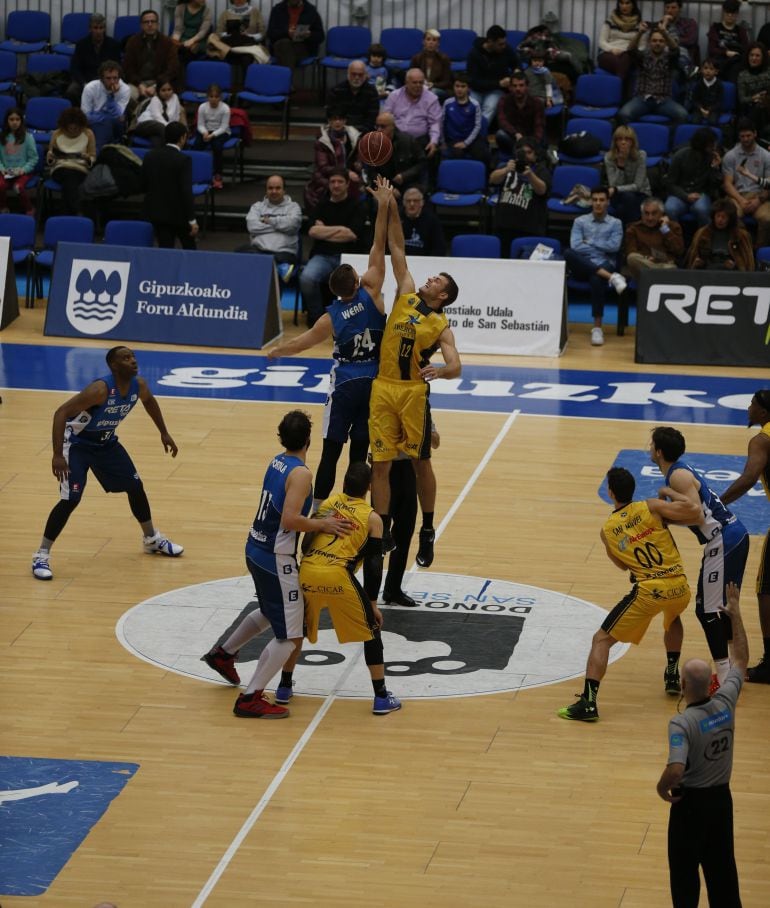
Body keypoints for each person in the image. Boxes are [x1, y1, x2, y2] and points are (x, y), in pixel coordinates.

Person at [202, 411, 354, 718]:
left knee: (274, 611)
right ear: (309, 440)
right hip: (275, 557)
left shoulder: (277, 461)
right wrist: (323, 526)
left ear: (281, 438)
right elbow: (289, 519)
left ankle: (223, 654)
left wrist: (317, 519)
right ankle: (250, 698)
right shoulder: (301, 473)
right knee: (292, 635)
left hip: (256, 547)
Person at [267, 176, 391, 505]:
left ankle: (320, 510)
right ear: (357, 281)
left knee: (330, 454)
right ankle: (355, 509)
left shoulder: (330, 318)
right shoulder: (373, 293)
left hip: (345, 383)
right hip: (374, 381)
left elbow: (301, 344)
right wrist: (383, 206)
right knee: (359, 454)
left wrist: (277, 351)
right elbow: (379, 245)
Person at [31, 346, 183, 582]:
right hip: (78, 446)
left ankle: (151, 540)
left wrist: (164, 432)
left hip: (106, 444)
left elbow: (150, 402)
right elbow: (61, 413)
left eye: (133, 357)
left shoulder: (138, 385)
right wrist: (57, 455)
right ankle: (41, 555)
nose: (133, 361)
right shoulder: (100, 389)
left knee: (135, 487)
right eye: (126, 358)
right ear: (114, 365)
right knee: (70, 499)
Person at [369, 194, 462, 566]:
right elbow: (396, 245)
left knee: (421, 462)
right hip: (382, 387)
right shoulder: (405, 293)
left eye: (436, 279)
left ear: (443, 295)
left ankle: (427, 529)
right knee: (381, 464)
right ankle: (383, 529)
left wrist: (440, 370)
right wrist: (387, 204)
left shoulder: (440, 325)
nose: (429, 277)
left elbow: (456, 365)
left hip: (412, 394)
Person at [557, 467, 692, 721]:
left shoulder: (608, 529)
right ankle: (672, 672)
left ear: (610, 493)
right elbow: (689, 509)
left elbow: (622, 566)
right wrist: (667, 493)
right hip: (681, 586)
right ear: (633, 489)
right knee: (672, 617)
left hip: (650, 590)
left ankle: (588, 703)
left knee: (601, 640)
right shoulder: (651, 506)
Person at [656, 580, 746, 908]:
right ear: (711, 682)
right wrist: (735, 615)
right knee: (724, 878)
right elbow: (739, 661)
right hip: (721, 802)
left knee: (684, 881)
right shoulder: (725, 702)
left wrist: (662, 789)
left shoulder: (682, 723)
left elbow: (677, 768)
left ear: (682, 685)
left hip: (690, 807)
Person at [650, 426, 749, 694]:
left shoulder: (678, 476)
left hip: (723, 538)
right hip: (730, 536)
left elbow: (695, 516)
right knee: (722, 607)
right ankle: (734, 669)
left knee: (706, 610)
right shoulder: (680, 471)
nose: (649, 449)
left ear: (658, 451)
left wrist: (665, 513)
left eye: (651, 445)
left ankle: (726, 677)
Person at [300, 462, 401, 714]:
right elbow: (374, 566)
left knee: (295, 629)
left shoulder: (328, 504)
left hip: (308, 570)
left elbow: (305, 544)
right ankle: (380, 697)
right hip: (336, 574)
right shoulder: (372, 518)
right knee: (372, 628)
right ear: (369, 487)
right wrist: (373, 603)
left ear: (343, 482)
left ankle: (283, 687)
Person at [720, 390, 770, 684]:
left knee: (766, 588)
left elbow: (750, 477)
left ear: (763, 412)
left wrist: (720, 502)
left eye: (752, 404)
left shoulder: (762, 440)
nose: (748, 408)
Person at [300, 167, 366, 326]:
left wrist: (325, 230)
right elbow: (313, 232)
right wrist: (340, 229)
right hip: (322, 255)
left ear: (347, 184)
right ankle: (317, 319)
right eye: (332, 182)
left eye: (340, 182)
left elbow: (351, 235)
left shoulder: (357, 205)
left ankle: (346, 320)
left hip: (348, 257)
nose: (336, 185)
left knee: (355, 284)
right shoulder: (320, 205)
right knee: (306, 278)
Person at [563, 186, 627, 347]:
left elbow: (614, 247)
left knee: (596, 277)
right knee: (568, 253)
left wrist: (590, 242)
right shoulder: (580, 221)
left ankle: (597, 328)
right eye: (595, 200)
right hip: (582, 264)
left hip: (606, 263)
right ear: (591, 202)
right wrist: (600, 246)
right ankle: (612, 278)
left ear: (607, 202)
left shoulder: (616, 223)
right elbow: (576, 246)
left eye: (602, 200)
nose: (598, 203)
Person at [141, 121, 198, 250]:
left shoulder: (150, 156)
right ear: (183, 138)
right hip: (180, 215)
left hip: (157, 213)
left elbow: (144, 184)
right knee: (190, 251)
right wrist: (192, 220)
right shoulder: (183, 159)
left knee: (165, 252)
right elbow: (186, 191)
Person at [617, 24, 688, 126]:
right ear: (649, 42)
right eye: (654, 41)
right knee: (623, 114)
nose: (657, 43)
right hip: (642, 99)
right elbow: (631, 50)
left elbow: (675, 50)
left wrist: (664, 33)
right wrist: (640, 32)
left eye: (661, 41)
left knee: (683, 115)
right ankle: (635, 139)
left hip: (663, 101)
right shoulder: (642, 57)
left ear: (665, 43)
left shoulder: (670, 59)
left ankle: (668, 139)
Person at [489, 137, 552, 252]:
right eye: (523, 152)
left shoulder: (540, 170)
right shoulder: (508, 166)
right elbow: (493, 179)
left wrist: (530, 175)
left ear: (536, 155)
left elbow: (542, 190)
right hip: (503, 225)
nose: (526, 156)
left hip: (529, 228)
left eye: (529, 152)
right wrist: (505, 170)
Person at [238, 174, 301, 283]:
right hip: (259, 251)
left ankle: (273, 267)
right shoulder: (257, 207)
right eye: (270, 188)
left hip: (284, 252)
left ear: (284, 190)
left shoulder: (294, 207)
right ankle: (277, 267)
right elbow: (252, 227)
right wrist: (280, 226)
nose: (274, 191)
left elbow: (292, 226)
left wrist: (269, 221)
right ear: (266, 190)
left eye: (278, 188)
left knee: (262, 263)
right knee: (240, 253)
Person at [722, 118, 770, 246]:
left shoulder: (766, 156)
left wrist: (758, 200)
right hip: (737, 195)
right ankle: (743, 248)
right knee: (732, 217)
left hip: (759, 195)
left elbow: (768, 185)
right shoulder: (730, 156)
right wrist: (741, 200)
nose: (745, 139)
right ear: (739, 137)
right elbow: (727, 184)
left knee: (766, 219)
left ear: (755, 134)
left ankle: (759, 253)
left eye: (748, 135)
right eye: (742, 136)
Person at [304, 107, 361, 211]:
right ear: (329, 121)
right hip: (326, 176)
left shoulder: (353, 136)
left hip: (349, 177)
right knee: (337, 185)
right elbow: (323, 167)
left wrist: (359, 163)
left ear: (345, 121)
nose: (337, 122)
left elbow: (358, 157)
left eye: (340, 119)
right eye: (334, 119)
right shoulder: (322, 140)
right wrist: (346, 172)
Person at [664, 125, 722, 226]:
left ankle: (704, 238)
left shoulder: (713, 157)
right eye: (711, 144)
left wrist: (715, 168)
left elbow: (714, 186)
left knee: (702, 209)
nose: (714, 146)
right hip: (680, 193)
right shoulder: (680, 156)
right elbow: (670, 183)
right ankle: (675, 238)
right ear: (702, 145)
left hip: (702, 194)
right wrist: (685, 196)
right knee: (670, 208)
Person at [362, 111, 426, 200]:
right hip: (384, 185)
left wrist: (404, 175)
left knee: (412, 197)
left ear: (392, 127)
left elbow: (421, 163)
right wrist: (389, 188)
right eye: (377, 126)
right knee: (378, 201)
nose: (379, 130)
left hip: (408, 183)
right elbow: (372, 172)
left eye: (383, 126)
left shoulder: (408, 141)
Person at [384, 68, 442, 162]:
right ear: (406, 83)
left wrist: (433, 141)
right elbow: (385, 118)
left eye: (421, 82)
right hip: (397, 139)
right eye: (414, 83)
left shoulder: (431, 98)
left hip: (420, 140)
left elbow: (435, 123)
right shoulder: (394, 96)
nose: (418, 86)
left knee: (432, 151)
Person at [46, 107, 96, 216]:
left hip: (80, 168)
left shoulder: (88, 134)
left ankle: (66, 214)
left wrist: (88, 158)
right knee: (69, 178)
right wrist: (51, 157)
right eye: (70, 128)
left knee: (69, 182)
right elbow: (50, 157)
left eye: (76, 128)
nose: (73, 130)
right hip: (60, 167)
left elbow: (93, 156)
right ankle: (77, 212)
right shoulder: (57, 134)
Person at [122, 9, 180, 102]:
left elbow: (172, 68)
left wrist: (156, 85)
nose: (150, 24)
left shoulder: (167, 42)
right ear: (141, 25)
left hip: (160, 83)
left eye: (153, 21)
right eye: (146, 22)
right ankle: (134, 115)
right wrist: (139, 85)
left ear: (158, 24)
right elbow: (128, 68)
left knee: (165, 97)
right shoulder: (133, 42)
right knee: (127, 94)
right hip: (137, 83)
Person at [467, 25, 520, 124]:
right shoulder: (474, 54)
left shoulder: (506, 49)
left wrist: (517, 70)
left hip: (496, 90)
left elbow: (516, 62)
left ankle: (478, 134)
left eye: (504, 43)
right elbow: (473, 82)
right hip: (478, 89)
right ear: (490, 42)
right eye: (500, 44)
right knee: (471, 109)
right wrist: (499, 83)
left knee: (490, 107)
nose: (504, 46)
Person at [67, 13, 122, 106]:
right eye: (95, 28)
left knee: (119, 90)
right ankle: (80, 114)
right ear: (90, 29)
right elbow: (75, 68)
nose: (98, 31)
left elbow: (118, 67)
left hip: (107, 80)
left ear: (104, 29)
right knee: (71, 91)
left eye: (101, 28)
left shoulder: (114, 45)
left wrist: (109, 82)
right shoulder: (81, 44)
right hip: (85, 80)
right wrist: (84, 83)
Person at [623, 197, 684, 280]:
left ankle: (654, 275)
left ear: (662, 214)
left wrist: (665, 230)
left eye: (654, 213)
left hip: (665, 265)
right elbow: (631, 251)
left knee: (670, 268)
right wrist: (648, 258)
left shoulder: (672, 227)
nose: (650, 218)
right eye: (646, 213)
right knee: (632, 258)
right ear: (641, 214)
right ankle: (658, 275)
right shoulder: (633, 229)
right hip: (643, 266)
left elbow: (679, 251)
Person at [684, 197, 755, 270]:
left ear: (730, 219)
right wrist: (697, 264)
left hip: (732, 274)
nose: (720, 220)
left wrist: (735, 266)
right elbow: (691, 261)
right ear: (713, 217)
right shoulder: (702, 233)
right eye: (718, 216)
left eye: (723, 217)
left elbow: (748, 264)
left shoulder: (741, 236)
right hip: (707, 270)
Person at [604, 125, 652, 227]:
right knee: (626, 200)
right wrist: (620, 164)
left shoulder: (641, 156)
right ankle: (632, 232)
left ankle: (625, 233)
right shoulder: (609, 157)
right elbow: (613, 183)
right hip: (619, 195)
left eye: (627, 139)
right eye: (620, 139)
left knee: (625, 203)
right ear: (615, 142)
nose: (623, 142)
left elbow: (637, 186)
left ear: (632, 142)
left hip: (640, 194)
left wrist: (616, 189)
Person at [80, 60, 131, 152]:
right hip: (94, 123)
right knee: (105, 124)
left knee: (116, 121)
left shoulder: (125, 89)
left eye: (115, 78)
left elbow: (117, 115)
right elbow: (85, 116)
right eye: (108, 78)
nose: (112, 81)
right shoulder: (90, 88)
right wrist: (104, 118)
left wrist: (112, 96)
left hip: (115, 124)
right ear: (101, 78)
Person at [440, 72, 489, 165]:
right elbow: (442, 123)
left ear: (468, 88)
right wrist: (442, 142)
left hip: (471, 139)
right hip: (453, 140)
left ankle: (485, 178)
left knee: (483, 154)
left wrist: (466, 143)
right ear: (453, 87)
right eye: (457, 86)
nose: (459, 89)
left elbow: (477, 126)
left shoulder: (475, 104)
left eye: (463, 86)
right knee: (457, 155)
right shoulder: (447, 103)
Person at [266, 0, 324, 76]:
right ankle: (287, 84)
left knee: (285, 50)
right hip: (280, 45)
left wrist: (309, 35)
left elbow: (321, 36)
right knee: (284, 45)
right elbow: (270, 33)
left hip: (303, 47)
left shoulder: (310, 10)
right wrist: (287, 32)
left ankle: (284, 84)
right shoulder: (278, 9)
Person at [191, 83, 230, 190]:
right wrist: (204, 132)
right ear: (207, 97)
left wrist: (212, 135)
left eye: (216, 97)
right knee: (197, 146)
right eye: (211, 96)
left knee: (217, 147)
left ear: (220, 97)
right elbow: (200, 124)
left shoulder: (225, 108)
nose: (213, 99)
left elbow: (224, 127)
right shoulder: (202, 107)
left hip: (220, 132)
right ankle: (196, 173)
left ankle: (217, 175)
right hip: (205, 131)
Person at [597, 0, 643, 91]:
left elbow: (642, 47)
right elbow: (601, 42)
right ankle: (621, 95)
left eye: (627, 3)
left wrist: (626, 50)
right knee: (622, 65)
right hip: (609, 53)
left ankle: (614, 92)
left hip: (629, 54)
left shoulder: (640, 24)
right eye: (621, 3)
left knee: (626, 58)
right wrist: (612, 49)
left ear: (633, 5)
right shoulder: (610, 21)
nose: (624, 6)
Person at [495, 71, 545, 154]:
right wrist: (515, 133)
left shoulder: (537, 102)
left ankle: (524, 153)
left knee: (541, 138)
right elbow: (502, 121)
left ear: (527, 87)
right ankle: (521, 153)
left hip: (530, 138)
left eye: (521, 85)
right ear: (510, 88)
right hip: (513, 137)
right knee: (500, 134)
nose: (518, 89)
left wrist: (531, 144)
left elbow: (539, 126)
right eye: (514, 86)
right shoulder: (504, 100)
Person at [0, 108, 38, 216]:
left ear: (21, 121)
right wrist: (2, 169)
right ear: (7, 121)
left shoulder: (28, 137)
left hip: (23, 171)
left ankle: (29, 208)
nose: (14, 122)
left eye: (17, 119)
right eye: (11, 119)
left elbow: (33, 158)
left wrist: (23, 170)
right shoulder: (2, 137)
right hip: (5, 171)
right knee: (0, 185)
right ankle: (3, 207)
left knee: (18, 187)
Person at [325, 59, 380, 135]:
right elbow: (332, 115)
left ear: (365, 75)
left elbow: (372, 117)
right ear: (348, 74)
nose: (357, 77)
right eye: (353, 74)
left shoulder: (372, 92)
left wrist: (360, 133)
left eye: (360, 75)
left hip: (364, 132)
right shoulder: (336, 90)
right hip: (341, 131)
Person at [132, 78, 187, 147]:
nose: (167, 92)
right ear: (158, 91)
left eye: (169, 89)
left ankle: (162, 153)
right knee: (161, 128)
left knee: (157, 139)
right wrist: (171, 129)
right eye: (163, 90)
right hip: (145, 124)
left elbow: (176, 116)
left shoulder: (175, 98)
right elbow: (158, 117)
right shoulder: (155, 100)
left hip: (160, 129)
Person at [707, 0, 749, 82]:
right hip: (719, 60)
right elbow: (711, 49)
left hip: (736, 62)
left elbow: (745, 49)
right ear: (723, 12)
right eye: (727, 13)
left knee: (736, 69)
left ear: (737, 14)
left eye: (733, 13)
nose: (730, 15)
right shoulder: (715, 27)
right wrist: (726, 53)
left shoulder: (741, 30)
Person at [399, 186, 446, 257]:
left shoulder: (432, 221)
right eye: (408, 201)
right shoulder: (395, 219)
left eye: (416, 201)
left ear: (422, 203)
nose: (412, 204)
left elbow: (439, 249)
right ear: (404, 203)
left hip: (426, 262)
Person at [736, 41, 770, 137]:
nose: (754, 58)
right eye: (751, 55)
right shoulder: (742, 75)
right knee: (758, 109)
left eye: (757, 56)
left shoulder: (768, 72)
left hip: (768, 105)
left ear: (763, 58)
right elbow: (742, 99)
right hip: (751, 108)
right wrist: (754, 98)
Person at [410, 29, 453, 100]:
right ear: (423, 42)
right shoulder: (416, 58)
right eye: (428, 39)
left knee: (431, 92)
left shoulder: (444, 59)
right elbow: (411, 78)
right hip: (419, 87)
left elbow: (447, 82)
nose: (431, 42)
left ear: (438, 43)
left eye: (434, 40)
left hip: (438, 89)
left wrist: (433, 85)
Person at [659, 0, 700, 74]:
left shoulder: (689, 23)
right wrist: (665, 23)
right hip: (663, 54)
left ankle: (688, 69)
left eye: (673, 8)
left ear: (680, 9)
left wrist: (670, 41)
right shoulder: (661, 24)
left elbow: (690, 41)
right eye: (667, 7)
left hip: (682, 55)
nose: (669, 11)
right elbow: (656, 41)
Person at [685, 57, 725, 125]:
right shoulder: (698, 84)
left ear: (716, 72)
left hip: (713, 110)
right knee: (695, 121)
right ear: (701, 70)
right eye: (705, 68)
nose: (708, 71)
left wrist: (709, 110)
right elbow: (694, 100)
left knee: (712, 122)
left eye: (711, 69)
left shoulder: (719, 85)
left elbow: (719, 102)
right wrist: (701, 109)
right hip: (700, 109)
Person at [171, 0, 212, 65]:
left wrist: (191, 41)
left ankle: (186, 72)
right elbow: (178, 29)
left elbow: (203, 32)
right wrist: (175, 43)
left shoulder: (207, 10)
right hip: (183, 39)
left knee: (191, 50)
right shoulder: (180, 8)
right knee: (174, 50)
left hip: (199, 41)